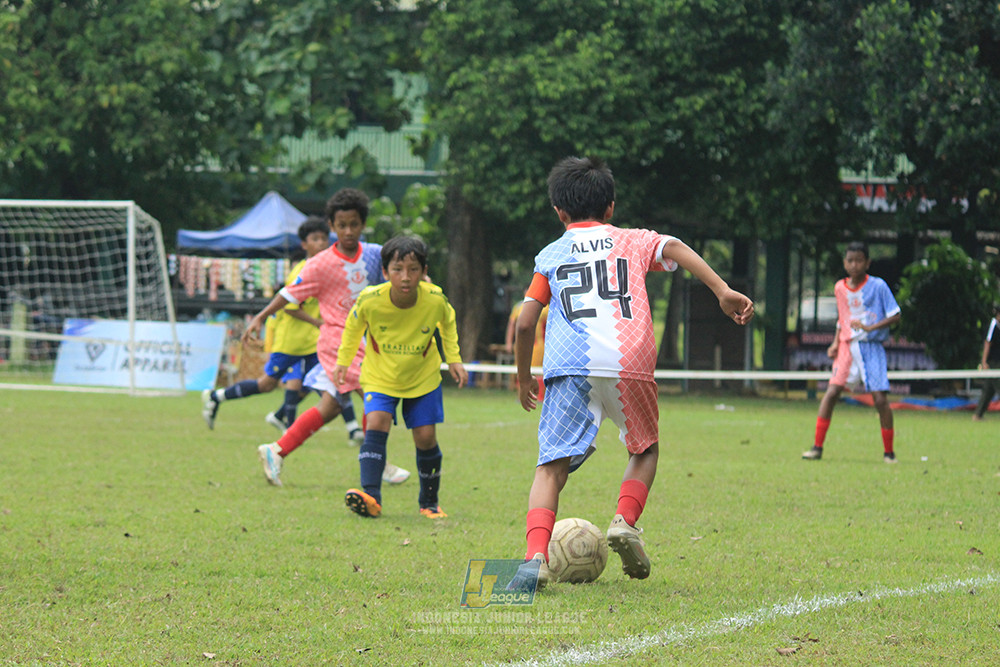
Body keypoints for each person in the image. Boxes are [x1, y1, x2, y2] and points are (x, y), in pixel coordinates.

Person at [507, 156, 754, 590]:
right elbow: (674, 247)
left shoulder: (550, 255)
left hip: (570, 364)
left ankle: (534, 559)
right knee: (644, 449)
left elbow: (526, 323)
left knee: (550, 467)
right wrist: (722, 290)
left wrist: (525, 375)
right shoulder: (634, 240)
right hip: (630, 361)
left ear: (559, 212)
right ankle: (624, 520)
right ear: (610, 207)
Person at [241, 189, 409, 487]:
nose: (348, 231)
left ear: (363, 224)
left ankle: (276, 450)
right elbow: (289, 294)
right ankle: (377, 461)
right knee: (376, 395)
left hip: (366, 342)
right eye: (341, 225)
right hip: (338, 342)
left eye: (354, 224)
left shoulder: (374, 254)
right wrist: (261, 316)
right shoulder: (319, 264)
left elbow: (400, 270)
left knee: (331, 406)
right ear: (332, 226)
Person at [336, 235, 468, 520]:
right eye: (397, 270)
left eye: (413, 269)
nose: (405, 277)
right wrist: (343, 362)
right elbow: (353, 328)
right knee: (376, 422)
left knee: (426, 436)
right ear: (385, 272)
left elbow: (447, 323)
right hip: (380, 376)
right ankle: (371, 497)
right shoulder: (370, 299)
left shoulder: (435, 299)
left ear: (424, 271)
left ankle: (429, 503)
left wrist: (454, 359)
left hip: (422, 377)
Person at [202, 217, 334, 432]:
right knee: (268, 384)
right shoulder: (301, 271)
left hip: (310, 341)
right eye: (315, 239)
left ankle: (291, 422)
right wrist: (317, 322)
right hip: (290, 340)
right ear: (304, 244)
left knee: (318, 380)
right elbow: (290, 307)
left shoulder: (325, 269)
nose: (321, 243)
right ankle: (218, 397)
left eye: (324, 238)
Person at [802, 241, 901, 463]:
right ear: (845, 263)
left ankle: (889, 453)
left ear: (867, 263)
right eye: (850, 261)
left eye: (859, 260)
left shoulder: (878, 286)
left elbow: (895, 315)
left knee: (880, 399)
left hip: (871, 347)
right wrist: (835, 343)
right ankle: (817, 447)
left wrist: (870, 328)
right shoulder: (839, 288)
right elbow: (843, 318)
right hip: (847, 347)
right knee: (831, 393)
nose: (854, 265)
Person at [505, 298, 547, 399]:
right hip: (520, 344)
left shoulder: (545, 307)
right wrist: (509, 343)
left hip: (539, 346)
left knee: (538, 371)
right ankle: (522, 395)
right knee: (520, 370)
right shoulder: (518, 306)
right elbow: (512, 324)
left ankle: (539, 396)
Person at [972, 305, 1000, 421]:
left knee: (989, 390)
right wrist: (984, 362)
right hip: (993, 362)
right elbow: (987, 343)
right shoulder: (993, 325)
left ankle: (978, 415)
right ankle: (978, 414)